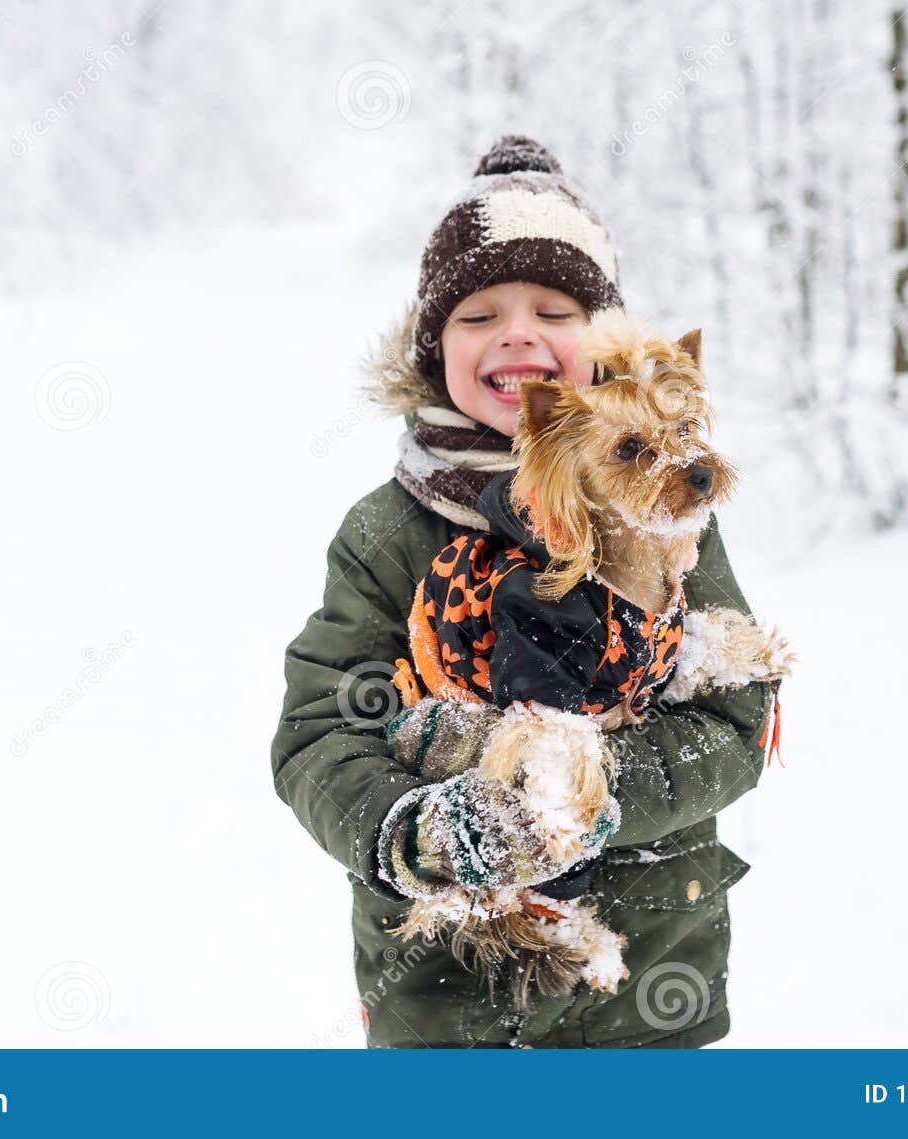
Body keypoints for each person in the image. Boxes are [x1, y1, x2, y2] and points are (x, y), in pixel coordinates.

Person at [271, 135, 774, 1047]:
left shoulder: (668, 511)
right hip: (446, 999)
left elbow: (736, 727)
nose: (518, 333)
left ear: (604, 343)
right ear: (434, 350)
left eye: (556, 307)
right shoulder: (390, 531)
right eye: (477, 315)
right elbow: (320, 729)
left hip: (651, 982)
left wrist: (587, 787)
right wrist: (412, 830)